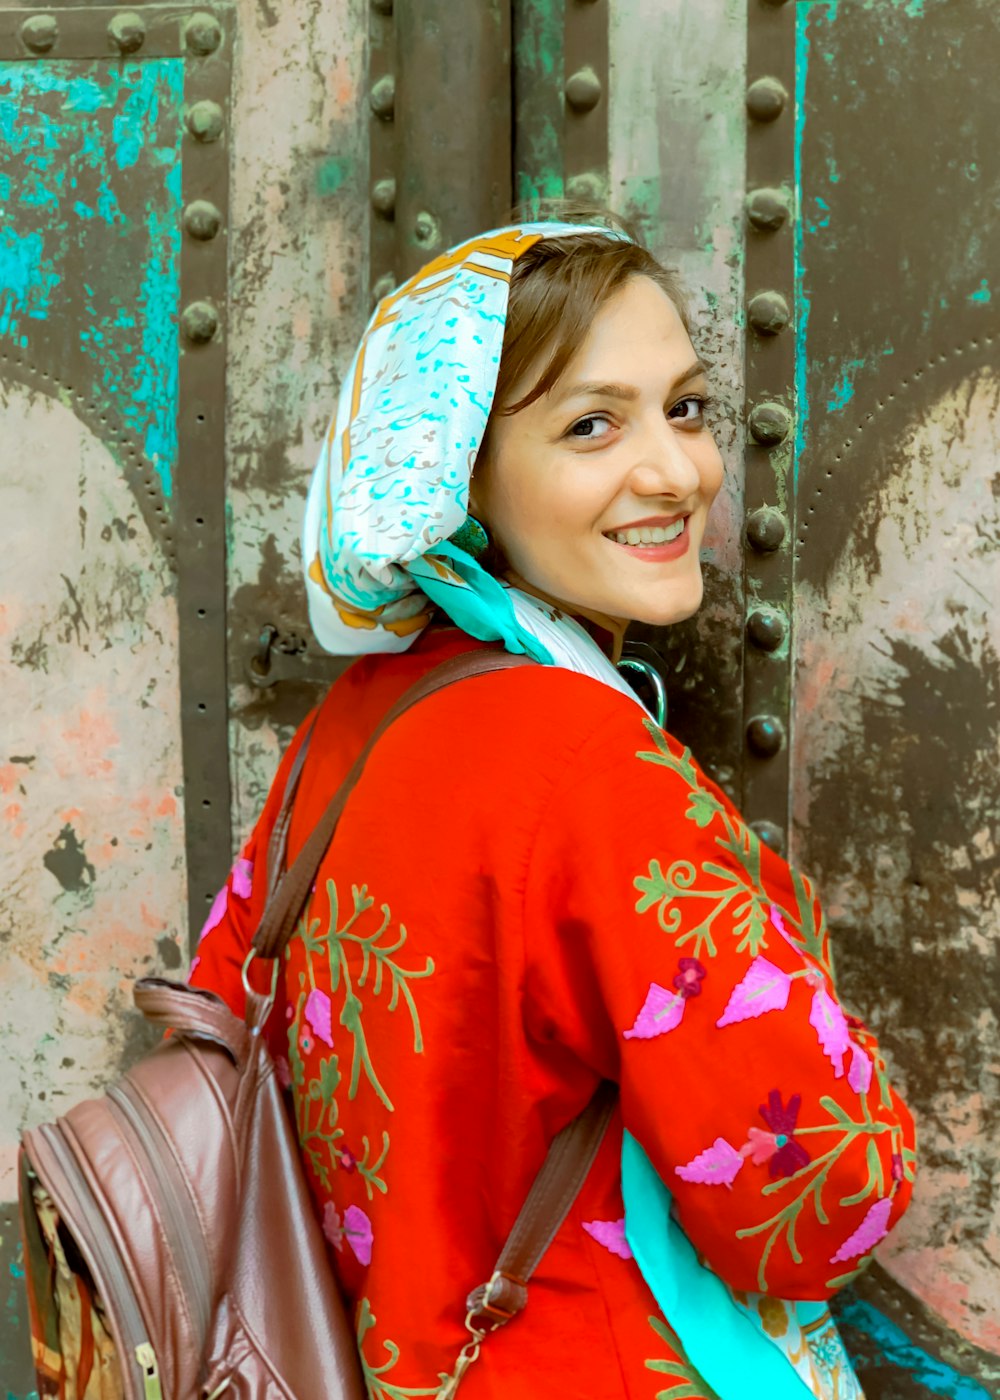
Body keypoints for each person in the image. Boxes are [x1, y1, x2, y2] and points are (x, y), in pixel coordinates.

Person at [190, 218, 916, 1399]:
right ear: (455, 478)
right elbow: (815, 1200)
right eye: (592, 425)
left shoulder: (351, 725)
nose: (677, 471)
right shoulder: (592, 770)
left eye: (683, 408)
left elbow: (233, 1012)